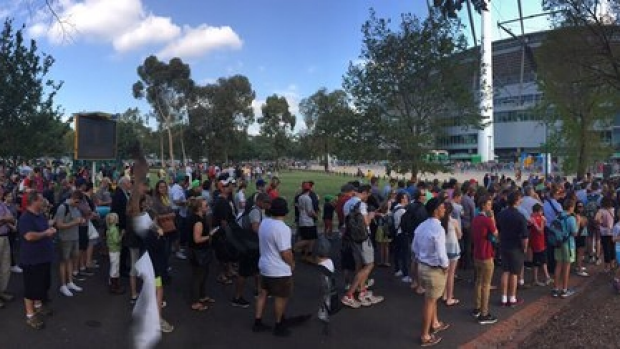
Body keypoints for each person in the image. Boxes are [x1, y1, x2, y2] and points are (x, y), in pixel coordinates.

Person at [253, 197, 295, 336]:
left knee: (262, 294)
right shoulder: (283, 228)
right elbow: (285, 252)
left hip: (264, 265)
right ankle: (278, 324)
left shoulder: (265, 222)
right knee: (281, 297)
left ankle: (257, 321)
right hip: (278, 270)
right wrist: (292, 264)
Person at [412, 198, 450, 346]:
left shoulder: (421, 226)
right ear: (435, 210)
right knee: (430, 301)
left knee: (431, 297)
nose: (444, 210)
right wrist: (445, 266)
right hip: (434, 269)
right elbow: (441, 253)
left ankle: (434, 323)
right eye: (442, 207)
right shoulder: (438, 229)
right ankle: (425, 335)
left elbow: (414, 248)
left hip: (422, 266)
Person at [340, 185, 384, 308]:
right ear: (364, 193)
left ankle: (362, 290)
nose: (368, 197)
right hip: (363, 238)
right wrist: (371, 215)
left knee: (360, 265)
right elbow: (366, 223)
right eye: (368, 194)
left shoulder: (347, 203)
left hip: (352, 238)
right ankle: (350, 294)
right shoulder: (362, 205)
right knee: (369, 264)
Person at [18, 192, 56, 329]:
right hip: (32, 259)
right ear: (34, 202)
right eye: (41, 200)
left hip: (43, 257)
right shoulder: (25, 218)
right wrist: (46, 233)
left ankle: (38, 306)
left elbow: (44, 229)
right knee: (31, 288)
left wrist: (49, 229)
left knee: (42, 285)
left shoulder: (40, 215)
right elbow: (28, 236)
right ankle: (30, 315)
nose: (44, 202)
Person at [232, 193, 271, 308]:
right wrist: (266, 236)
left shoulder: (255, 209)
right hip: (249, 246)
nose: (268, 206)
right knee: (243, 272)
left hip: (251, 245)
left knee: (256, 270)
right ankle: (237, 297)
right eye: (266, 203)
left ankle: (258, 290)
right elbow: (255, 228)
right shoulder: (255, 211)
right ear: (260, 201)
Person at [496, 191, 529, 307]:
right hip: (516, 247)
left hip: (504, 245)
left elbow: (498, 231)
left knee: (505, 271)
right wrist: (525, 248)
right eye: (520, 199)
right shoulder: (520, 216)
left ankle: (503, 298)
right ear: (516, 201)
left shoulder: (501, 214)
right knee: (514, 273)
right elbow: (525, 236)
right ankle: (512, 297)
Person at [471, 195, 499, 325]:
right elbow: (495, 233)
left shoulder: (475, 219)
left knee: (478, 281)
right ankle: (484, 313)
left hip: (477, 253)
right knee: (486, 285)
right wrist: (492, 217)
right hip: (486, 254)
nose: (490, 207)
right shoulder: (487, 220)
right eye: (488, 204)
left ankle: (477, 307)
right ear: (483, 205)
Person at [54, 191, 86, 297]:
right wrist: (75, 222)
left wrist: (81, 221)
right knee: (64, 261)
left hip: (74, 237)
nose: (78, 204)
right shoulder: (63, 207)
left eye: (79, 203)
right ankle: (63, 285)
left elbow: (77, 220)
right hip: (65, 239)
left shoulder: (76, 208)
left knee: (71, 259)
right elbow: (59, 225)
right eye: (77, 202)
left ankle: (70, 282)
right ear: (72, 198)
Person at [187, 197, 215, 311]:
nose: (207, 207)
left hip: (199, 251)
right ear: (199, 208)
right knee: (198, 276)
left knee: (203, 274)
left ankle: (202, 296)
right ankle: (195, 302)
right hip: (198, 252)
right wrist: (211, 235)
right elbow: (197, 239)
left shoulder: (197, 218)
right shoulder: (198, 221)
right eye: (205, 206)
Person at [551, 197, 579, 298]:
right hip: (568, 244)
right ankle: (564, 289)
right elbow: (575, 233)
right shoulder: (571, 218)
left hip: (558, 243)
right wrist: (578, 221)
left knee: (558, 265)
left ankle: (555, 288)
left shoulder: (557, 216)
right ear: (571, 207)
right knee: (566, 267)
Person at [441, 202, 461, 306]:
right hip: (453, 249)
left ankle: (444, 294)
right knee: (451, 274)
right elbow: (459, 235)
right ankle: (449, 297)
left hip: (443, 249)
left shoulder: (440, 222)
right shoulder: (454, 221)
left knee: (444, 273)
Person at [529, 204, 551, 286]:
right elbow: (540, 231)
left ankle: (538, 278)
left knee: (538, 260)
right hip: (538, 243)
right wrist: (542, 222)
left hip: (537, 242)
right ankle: (544, 277)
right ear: (538, 211)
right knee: (541, 260)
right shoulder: (535, 219)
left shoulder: (533, 218)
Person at [106, 213, 125, 295]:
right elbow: (116, 240)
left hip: (111, 250)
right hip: (115, 250)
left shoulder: (109, 229)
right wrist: (122, 235)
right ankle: (114, 287)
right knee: (115, 268)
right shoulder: (114, 229)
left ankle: (113, 283)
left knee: (113, 266)